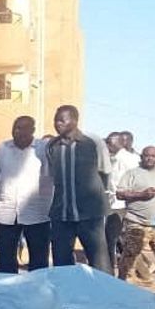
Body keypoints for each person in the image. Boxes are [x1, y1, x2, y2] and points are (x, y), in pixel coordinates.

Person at [46, 105, 111, 273]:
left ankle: (106, 296)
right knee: (61, 262)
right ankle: (66, 297)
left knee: (99, 260)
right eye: (55, 120)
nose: (57, 124)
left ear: (74, 121)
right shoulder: (51, 146)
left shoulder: (93, 142)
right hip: (61, 213)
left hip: (90, 214)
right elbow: (53, 176)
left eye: (62, 120)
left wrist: (92, 198)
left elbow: (104, 173)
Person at [0, 116, 53, 273]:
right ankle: (7, 290)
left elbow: (53, 178)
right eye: (16, 128)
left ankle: (37, 292)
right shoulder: (3, 148)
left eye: (24, 128)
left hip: (37, 213)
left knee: (39, 259)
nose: (19, 132)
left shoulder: (43, 148)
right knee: (5, 258)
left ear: (33, 131)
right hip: (7, 211)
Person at [116, 146, 155, 286]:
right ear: (141, 157)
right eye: (146, 155)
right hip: (136, 222)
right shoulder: (132, 173)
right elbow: (120, 194)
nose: (149, 158)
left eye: (153, 156)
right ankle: (123, 286)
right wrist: (141, 195)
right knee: (130, 255)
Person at [106, 131, 140, 273]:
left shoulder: (128, 159)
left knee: (112, 237)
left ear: (119, 143)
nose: (107, 146)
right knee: (114, 238)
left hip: (122, 204)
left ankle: (109, 269)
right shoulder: (113, 158)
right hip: (111, 202)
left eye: (109, 143)